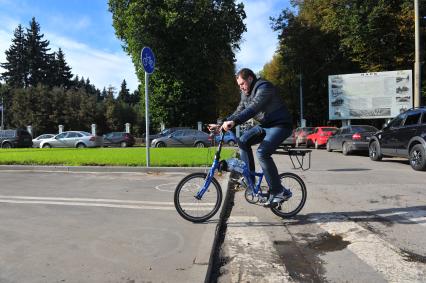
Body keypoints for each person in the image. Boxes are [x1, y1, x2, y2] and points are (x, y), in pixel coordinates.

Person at [211, 68, 293, 207]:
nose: (241, 87)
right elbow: (239, 111)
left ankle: (279, 191)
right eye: (239, 85)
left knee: (262, 153)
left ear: (250, 79)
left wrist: (235, 122)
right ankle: (250, 181)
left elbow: (252, 109)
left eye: (242, 84)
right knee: (242, 140)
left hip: (281, 125)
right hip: (266, 125)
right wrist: (223, 123)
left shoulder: (264, 87)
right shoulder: (245, 94)